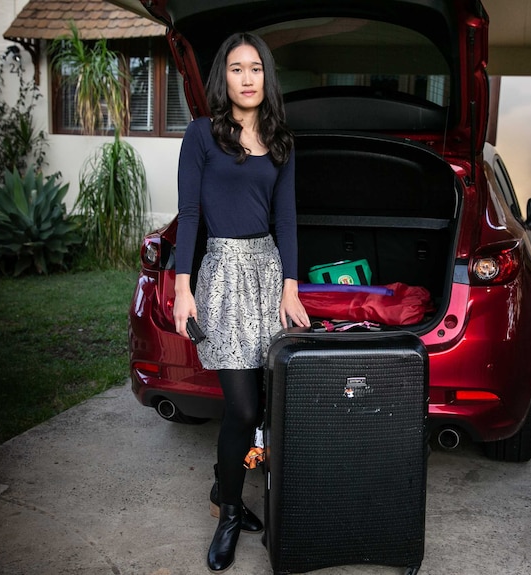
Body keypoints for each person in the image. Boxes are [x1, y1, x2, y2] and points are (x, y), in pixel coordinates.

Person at [171, 31, 310, 572]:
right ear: (222, 78)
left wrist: (291, 287)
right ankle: (230, 510)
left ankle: (220, 481)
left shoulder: (280, 140)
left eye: (255, 68)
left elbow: (287, 218)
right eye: (236, 69)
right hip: (223, 276)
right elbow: (189, 216)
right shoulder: (202, 135)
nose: (247, 78)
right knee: (244, 406)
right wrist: (183, 289)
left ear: (266, 77)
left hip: (267, 273)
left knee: (266, 402)